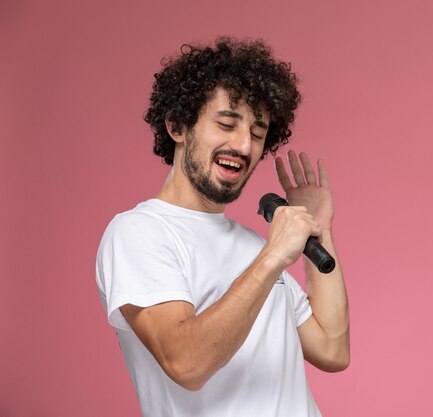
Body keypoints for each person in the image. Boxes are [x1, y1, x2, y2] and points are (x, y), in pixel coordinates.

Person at [95, 37, 349, 417]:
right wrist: (273, 257)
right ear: (178, 126)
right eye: (226, 124)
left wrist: (320, 230)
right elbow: (186, 363)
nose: (244, 146)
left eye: (258, 134)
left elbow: (332, 349)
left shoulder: (254, 247)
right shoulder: (138, 233)